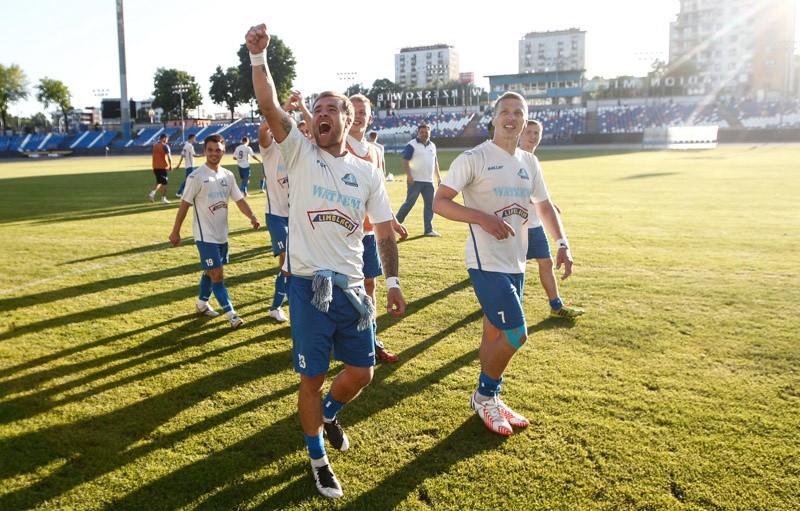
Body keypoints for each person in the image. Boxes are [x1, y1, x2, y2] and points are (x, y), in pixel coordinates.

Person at [247, 23, 406, 499]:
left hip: (354, 292)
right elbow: (270, 106)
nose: (321, 114)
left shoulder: (366, 172)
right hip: (308, 288)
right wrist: (259, 59)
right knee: (312, 378)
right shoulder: (298, 151)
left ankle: (331, 416)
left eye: (331, 109)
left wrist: (392, 281)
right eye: (316, 108)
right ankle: (317, 458)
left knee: (362, 373)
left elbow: (383, 230)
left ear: (346, 119)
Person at [432, 92, 575, 437]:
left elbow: (543, 206)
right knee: (516, 333)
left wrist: (561, 243)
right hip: (485, 261)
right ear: (493, 119)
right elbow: (440, 202)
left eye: (518, 113)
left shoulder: (530, 161)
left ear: (525, 121)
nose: (511, 118)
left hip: (516, 261)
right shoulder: (475, 158)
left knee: (493, 332)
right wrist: (482, 219)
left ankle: (491, 398)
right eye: (505, 112)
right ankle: (484, 395)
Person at [169, 133, 261, 329]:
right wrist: (175, 231)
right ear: (205, 151)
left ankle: (201, 305)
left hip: (222, 235)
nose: (214, 154)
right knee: (217, 275)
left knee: (210, 272)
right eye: (210, 150)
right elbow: (184, 206)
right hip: (205, 236)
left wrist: (252, 216)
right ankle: (231, 314)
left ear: (223, 151)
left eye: (217, 150)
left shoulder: (227, 175)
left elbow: (240, 200)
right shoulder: (196, 176)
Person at [346, 94, 408, 363]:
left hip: (369, 231)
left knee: (369, 284)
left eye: (364, 111)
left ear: (371, 117)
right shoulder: (337, 144)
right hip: (343, 232)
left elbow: (379, 193)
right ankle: (341, 340)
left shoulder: (376, 152)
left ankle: (370, 339)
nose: (359, 115)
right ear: (346, 114)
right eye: (354, 110)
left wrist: (391, 219)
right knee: (341, 288)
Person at [520, 120, 584, 319]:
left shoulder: (533, 160)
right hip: (517, 226)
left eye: (536, 133)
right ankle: (509, 304)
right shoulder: (515, 159)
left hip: (535, 225)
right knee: (515, 268)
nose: (533, 136)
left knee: (546, 262)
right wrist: (542, 204)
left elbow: (538, 192)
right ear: (520, 135)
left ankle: (556, 306)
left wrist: (547, 203)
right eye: (529, 132)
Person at [258, 119, 290, 323]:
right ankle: (276, 307)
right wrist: (284, 108)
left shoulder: (298, 151)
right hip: (277, 215)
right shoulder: (271, 149)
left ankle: (288, 301)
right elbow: (263, 128)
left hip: (298, 215)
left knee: (295, 263)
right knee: (287, 260)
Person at [395, 123, 442, 236]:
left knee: (430, 205)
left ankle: (428, 230)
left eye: (426, 132)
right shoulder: (411, 145)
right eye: (422, 132)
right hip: (415, 181)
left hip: (429, 182)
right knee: (409, 204)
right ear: (418, 133)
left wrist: (438, 177)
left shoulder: (433, 146)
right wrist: (409, 175)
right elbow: (405, 160)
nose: (424, 134)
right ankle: (394, 226)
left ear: (429, 133)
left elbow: (435, 162)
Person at [148, 133, 172, 204]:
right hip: (162, 167)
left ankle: (152, 194)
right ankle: (163, 199)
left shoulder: (155, 146)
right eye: (167, 139)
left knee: (159, 182)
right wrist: (170, 166)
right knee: (164, 183)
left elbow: (154, 157)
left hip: (156, 167)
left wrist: (153, 167)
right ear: (164, 138)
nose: (167, 140)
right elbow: (169, 157)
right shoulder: (165, 146)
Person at [174, 134, 198, 198]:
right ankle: (180, 193)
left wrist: (179, 164)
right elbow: (194, 155)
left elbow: (182, 155)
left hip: (188, 166)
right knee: (189, 180)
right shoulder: (190, 146)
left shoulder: (185, 146)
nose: (194, 140)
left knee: (190, 180)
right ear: (192, 138)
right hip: (190, 166)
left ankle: (187, 192)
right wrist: (204, 155)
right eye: (194, 138)